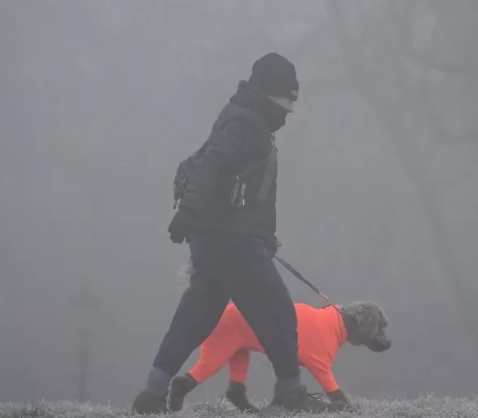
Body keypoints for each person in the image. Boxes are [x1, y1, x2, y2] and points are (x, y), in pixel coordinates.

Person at [131, 52, 342, 414]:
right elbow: (212, 164)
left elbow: (243, 190)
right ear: (270, 93)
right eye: (287, 100)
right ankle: (291, 395)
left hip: (217, 238)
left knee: (195, 317)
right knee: (277, 310)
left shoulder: (244, 118)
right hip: (229, 240)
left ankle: (151, 394)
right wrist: (188, 211)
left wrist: (261, 235)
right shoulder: (247, 125)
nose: (290, 110)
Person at [167, 299, 392, 413]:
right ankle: (183, 385)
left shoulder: (328, 323)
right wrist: (341, 401)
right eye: (378, 329)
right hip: (231, 321)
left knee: (239, 348)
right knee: (211, 362)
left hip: (237, 320)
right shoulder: (326, 332)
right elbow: (320, 368)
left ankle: (236, 394)